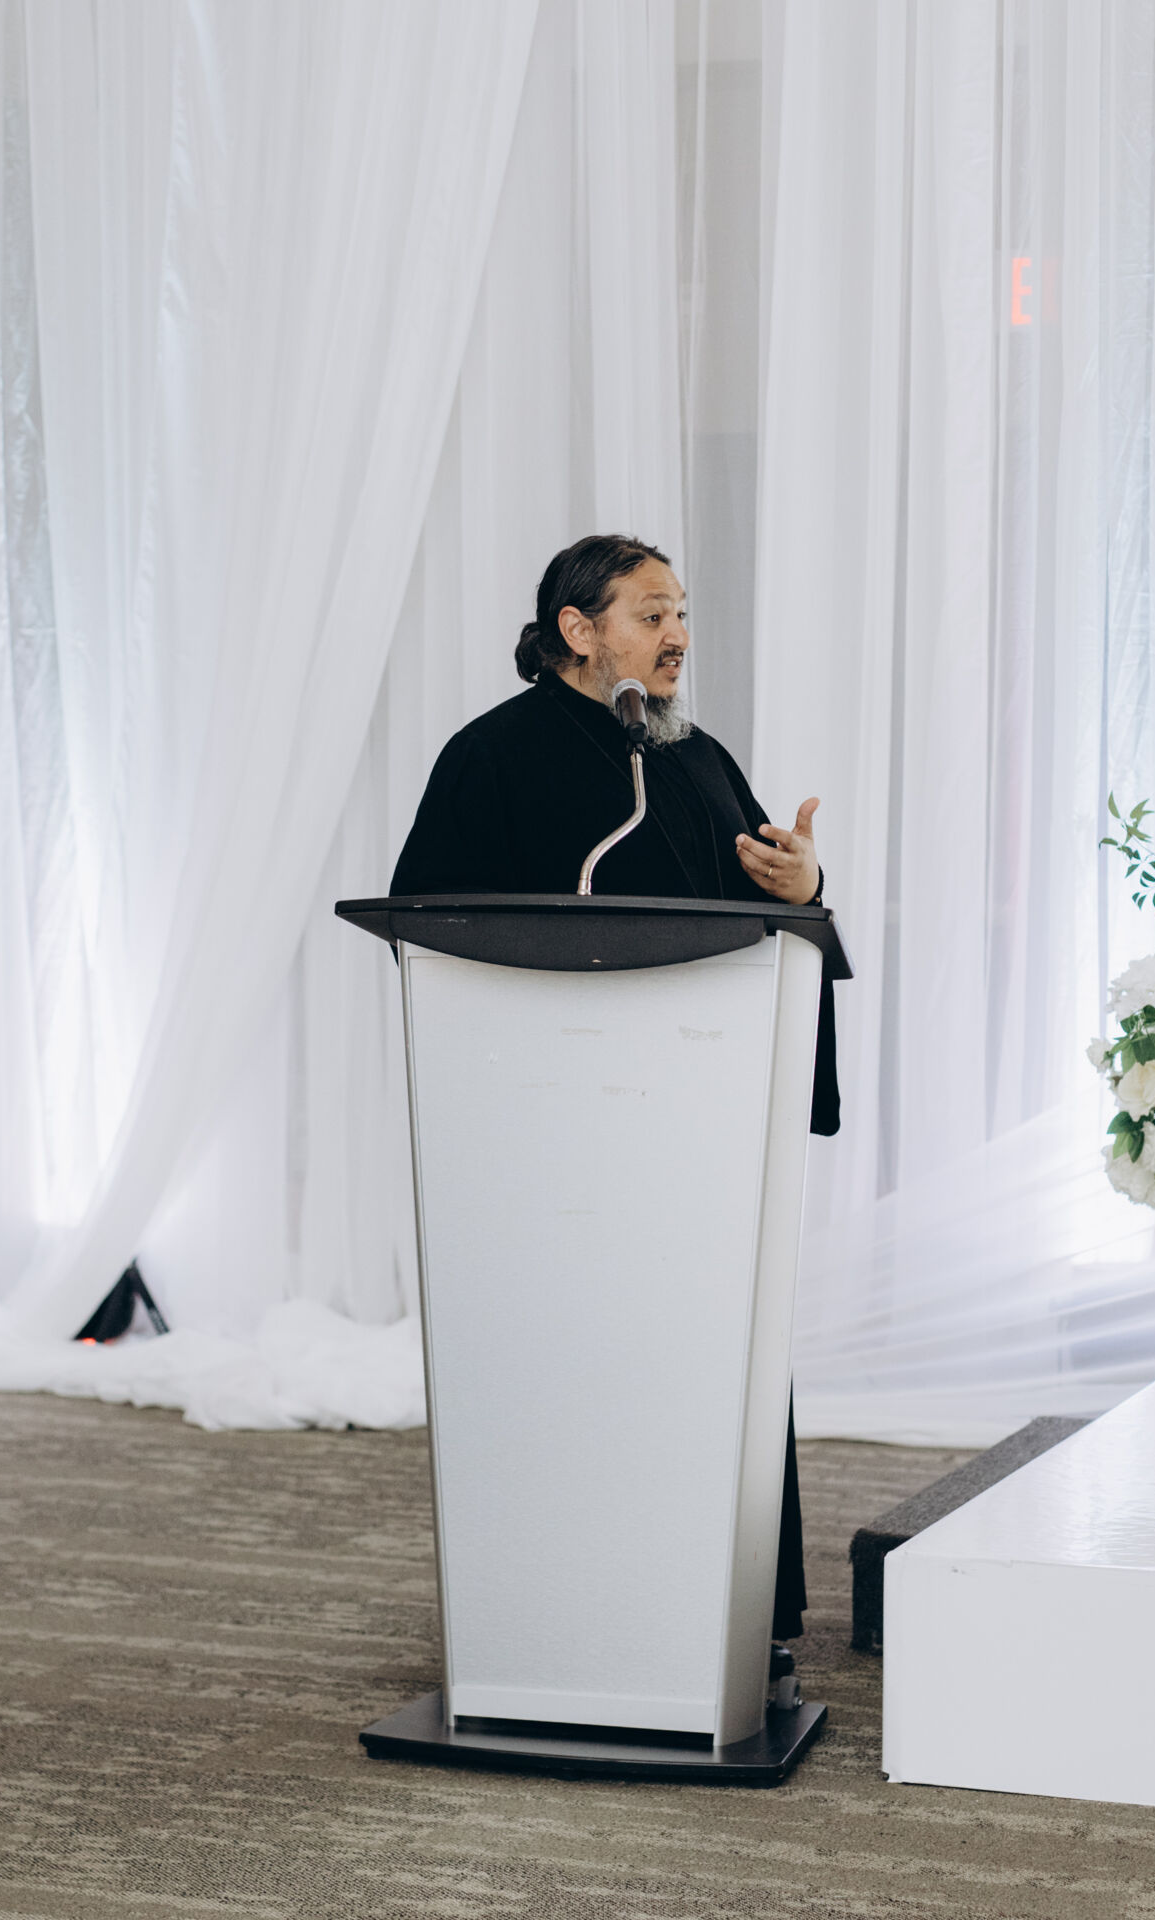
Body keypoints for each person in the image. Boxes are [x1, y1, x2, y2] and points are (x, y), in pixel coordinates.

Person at [391, 533, 839, 1643]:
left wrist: (802, 884)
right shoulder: (489, 757)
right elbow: (427, 926)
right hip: (554, 1144)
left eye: (680, 612)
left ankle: (737, 1617)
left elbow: (766, 913)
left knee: (712, 1361)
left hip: (699, 1128)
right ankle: (566, 1611)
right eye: (651, 614)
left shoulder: (687, 754)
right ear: (577, 630)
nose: (677, 634)